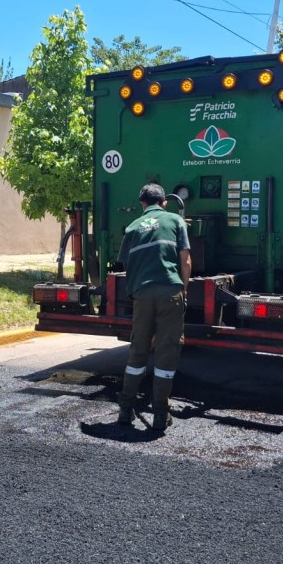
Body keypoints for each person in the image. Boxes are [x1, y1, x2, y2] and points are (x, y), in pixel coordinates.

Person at [115, 184, 191, 433]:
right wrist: (184, 288)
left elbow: (128, 264)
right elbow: (186, 259)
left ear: (142, 204)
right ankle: (160, 414)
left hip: (142, 294)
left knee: (138, 351)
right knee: (167, 351)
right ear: (164, 202)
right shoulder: (175, 220)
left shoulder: (133, 227)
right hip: (170, 291)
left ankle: (126, 409)